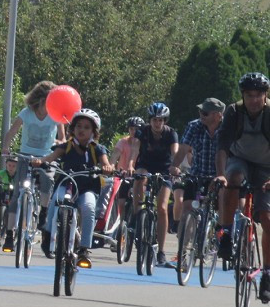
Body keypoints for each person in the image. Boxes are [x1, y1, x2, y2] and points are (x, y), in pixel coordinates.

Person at [32, 109, 114, 268]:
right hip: (66, 184)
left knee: (89, 207)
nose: (82, 130)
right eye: (78, 126)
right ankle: (48, 235)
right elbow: (49, 158)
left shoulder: (97, 149)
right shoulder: (65, 146)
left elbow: (106, 164)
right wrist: (39, 161)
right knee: (55, 201)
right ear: (73, 129)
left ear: (94, 131)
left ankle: (84, 249)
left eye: (86, 127)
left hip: (87, 188)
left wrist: (108, 168)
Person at [214, 72, 270, 302]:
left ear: (265, 95)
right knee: (232, 179)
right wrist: (220, 175)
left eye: (258, 95)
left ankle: (267, 274)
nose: (254, 100)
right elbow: (222, 146)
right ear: (243, 96)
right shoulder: (234, 112)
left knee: (267, 218)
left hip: (267, 166)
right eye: (249, 95)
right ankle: (226, 234)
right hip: (241, 160)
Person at [1, 81, 66, 251]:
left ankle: (43, 211)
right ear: (41, 98)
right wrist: (6, 148)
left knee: (47, 179)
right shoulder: (26, 113)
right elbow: (11, 132)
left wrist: (58, 144)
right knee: (17, 193)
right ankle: (9, 234)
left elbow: (63, 139)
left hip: (46, 156)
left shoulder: (55, 115)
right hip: (25, 156)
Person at [129, 102, 179, 267]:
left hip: (165, 169)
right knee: (139, 178)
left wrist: (176, 167)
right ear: (149, 120)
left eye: (160, 120)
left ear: (165, 121)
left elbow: (175, 153)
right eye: (154, 120)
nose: (157, 123)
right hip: (145, 165)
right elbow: (135, 150)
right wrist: (130, 165)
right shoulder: (142, 131)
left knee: (162, 207)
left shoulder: (171, 134)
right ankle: (137, 216)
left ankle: (161, 251)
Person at [170, 98, 224, 225]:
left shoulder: (227, 128)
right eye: (200, 111)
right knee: (187, 207)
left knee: (223, 207)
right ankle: (185, 243)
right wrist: (174, 166)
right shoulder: (194, 126)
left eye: (205, 113)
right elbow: (183, 149)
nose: (201, 115)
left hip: (219, 177)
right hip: (197, 175)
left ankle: (222, 236)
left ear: (217, 115)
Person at [108, 116, 144, 247]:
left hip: (138, 177)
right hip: (123, 176)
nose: (133, 132)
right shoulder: (122, 142)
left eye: (136, 129)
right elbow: (115, 156)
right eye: (131, 129)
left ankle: (137, 225)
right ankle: (121, 228)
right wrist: (111, 166)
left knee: (139, 204)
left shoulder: (143, 143)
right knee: (121, 203)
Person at [0, 155, 18, 250]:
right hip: (5, 191)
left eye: (13, 166)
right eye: (9, 165)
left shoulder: (18, 174)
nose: (11, 168)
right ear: (6, 165)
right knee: (2, 205)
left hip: (14, 193)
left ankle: (13, 229)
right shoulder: (3, 172)